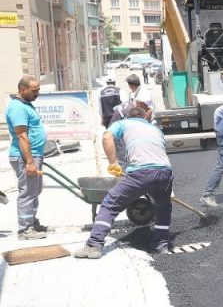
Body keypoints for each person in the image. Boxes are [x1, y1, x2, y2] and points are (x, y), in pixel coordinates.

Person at [73, 106, 173, 258]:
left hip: (141, 172)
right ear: (144, 117)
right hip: (165, 172)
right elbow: (157, 154)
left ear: (127, 117)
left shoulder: (123, 123)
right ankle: (161, 245)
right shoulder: (155, 129)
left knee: (110, 203)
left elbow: (107, 136)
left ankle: (94, 245)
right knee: (163, 208)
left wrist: (113, 162)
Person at [6, 76, 51, 240]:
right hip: (24, 157)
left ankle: (32, 223)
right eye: (34, 91)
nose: (37, 93)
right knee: (27, 192)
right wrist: (30, 161)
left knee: (34, 191)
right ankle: (25, 230)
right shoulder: (18, 108)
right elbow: (22, 136)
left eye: (38, 90)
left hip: (33, 155)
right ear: (22, 89)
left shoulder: (26, 105)